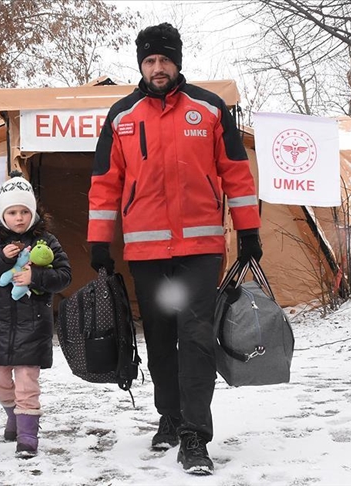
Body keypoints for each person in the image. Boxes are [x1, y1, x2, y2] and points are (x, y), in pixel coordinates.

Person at [87, 23, 263, 476]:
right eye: (150, 60)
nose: (158, 67)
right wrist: (98, 242)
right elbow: (104, 184)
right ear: (141, 65)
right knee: (161, 339)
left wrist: (249, 232)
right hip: (146, 252)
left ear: (177, 62)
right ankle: (169, 415)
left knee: (197, 337)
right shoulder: (122, 116)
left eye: (165, 59)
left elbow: (237, 174)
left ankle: (194, 434)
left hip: (200, 249)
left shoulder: (209, 109)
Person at [0, 172, 72, 458]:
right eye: (12, 212)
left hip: (33, 326)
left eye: (24, 212)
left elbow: (64, 276)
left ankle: (27, 436)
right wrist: (1, 259)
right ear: (2, 215)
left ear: (33, 213)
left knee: (27, 383)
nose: (19, 218)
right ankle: (15, 415)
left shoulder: (46, 241)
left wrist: (35, 276)